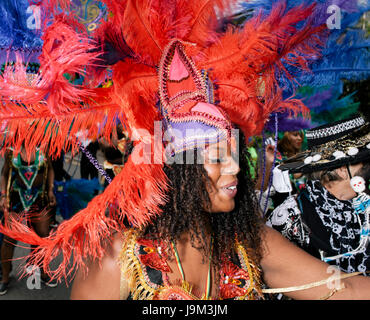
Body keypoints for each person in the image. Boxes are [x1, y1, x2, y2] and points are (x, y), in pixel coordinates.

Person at [0, 0, 370, 301]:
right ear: (177, 167)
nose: (237, 168)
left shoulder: (250, 242)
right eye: (215, 156)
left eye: (234, 154)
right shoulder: (119, 259)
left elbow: (347, 288)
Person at [267, 115, 370, 276]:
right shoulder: (291, 218)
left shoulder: (364, 205)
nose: (368, 169)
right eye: (365, 163)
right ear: (343, 169)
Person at [0, 146, 57, 295]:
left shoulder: (44, 148)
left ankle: (42, 271)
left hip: (40, 196)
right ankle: (5, 278)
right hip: (16, 196)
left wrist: (51, 189)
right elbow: (4, 174)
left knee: (42, 237)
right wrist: (4, 196)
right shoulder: (11, 150)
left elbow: (50, 169)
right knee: (9, 238)